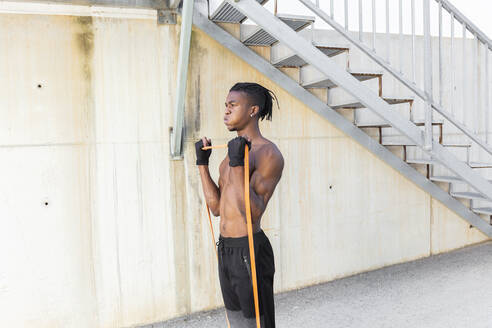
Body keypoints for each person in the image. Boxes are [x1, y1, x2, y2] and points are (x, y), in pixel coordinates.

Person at [195, 82, 284, 327]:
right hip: (226, 249)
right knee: (236, 322)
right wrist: (202, 164)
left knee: (258, 323)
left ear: (253, 110)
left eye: (232, 105)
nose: (226, 111)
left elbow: (252, 212)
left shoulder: (268, 153)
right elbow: (216, 208)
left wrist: (238, 165)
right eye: (226, 106)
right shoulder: (231, 154)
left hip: (249, 250)